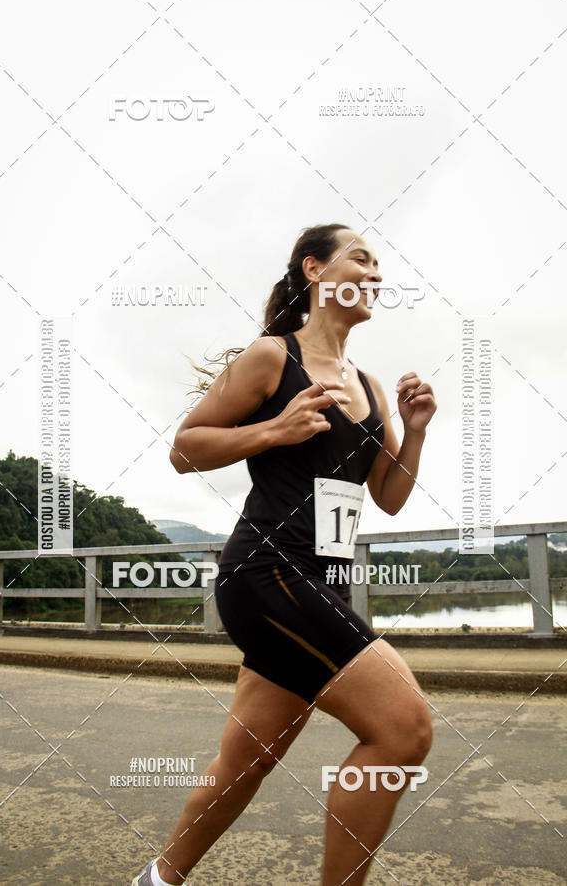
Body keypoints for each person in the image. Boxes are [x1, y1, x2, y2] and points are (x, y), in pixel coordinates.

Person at [131, 223, 437, 886]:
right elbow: (184, 449)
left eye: (380, 264)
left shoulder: (370, 387)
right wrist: (274, 429)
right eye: (361, 257)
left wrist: (413, 433)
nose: (376, 273)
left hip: (325, 583)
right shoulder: (273, 358)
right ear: (315, 270)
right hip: (268, 572)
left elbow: (388, 497)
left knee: (246, 761)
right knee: (404, 729)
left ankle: (157, 879)